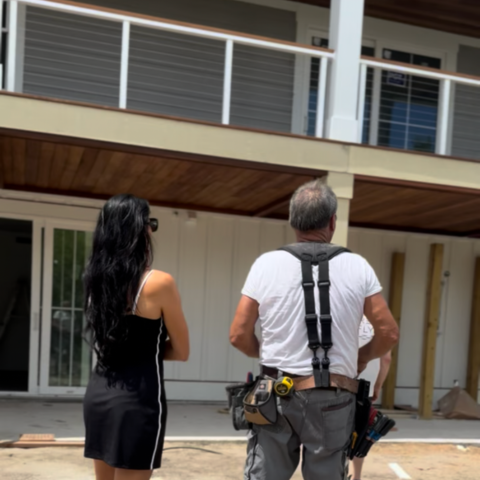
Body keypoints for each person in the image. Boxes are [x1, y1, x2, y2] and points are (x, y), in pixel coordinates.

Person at [229, 179, 399, 480]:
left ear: (293, 220)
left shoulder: (266, 264)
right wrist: (360, 358)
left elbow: (238, 335)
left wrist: (268, 352)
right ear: (332, 222)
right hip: (334, 396)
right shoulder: (358, 266)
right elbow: (388, 333)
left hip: (275, 394)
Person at [83, 194, 190, 480]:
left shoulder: (95, 281)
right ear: (139, 230)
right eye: (149, 223)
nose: (151, 230)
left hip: (98, 394)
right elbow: (182, 351)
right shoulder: (158, 283)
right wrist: (145, 350)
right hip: (137, 401)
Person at [350, 316, 392, 480]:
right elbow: (386, 359)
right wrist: (377, 385)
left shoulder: (341, 312)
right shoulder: (379, 320)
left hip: (338, 383)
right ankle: (356, 477)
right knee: (360, 435)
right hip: (365, 388)